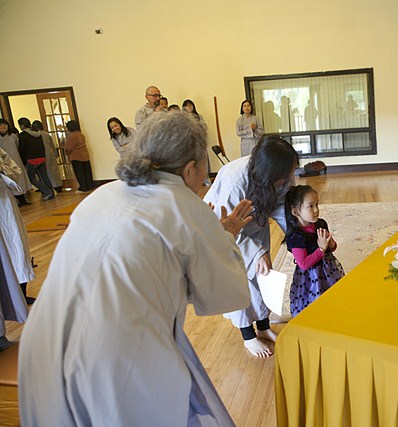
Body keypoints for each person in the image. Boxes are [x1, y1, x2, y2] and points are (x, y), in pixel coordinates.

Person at [18, 112, 254, 426]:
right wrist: (223, 239)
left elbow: (141, 273)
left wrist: (211, 240)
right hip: (112, 357)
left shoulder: (102, 194)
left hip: (42, 345)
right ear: (190, 168)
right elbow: (229, 295)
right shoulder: (185, 206)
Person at [203, 136, 299, 358]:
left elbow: (281, 207)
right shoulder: (234, 182)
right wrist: (255, 253)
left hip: (255, 223)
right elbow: (224, 229)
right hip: (224, 232)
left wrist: (296, 237)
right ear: (271, 171)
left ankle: (263, 326)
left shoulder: (280, 173)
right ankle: (248, 336)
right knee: (239, 280)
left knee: (262, 275)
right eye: (287, 174)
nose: (290, 178)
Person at [284, 185, 344, 317]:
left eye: (317, 204)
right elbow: (303, 264)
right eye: (310, 206)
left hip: (328, 269)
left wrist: (330, 244)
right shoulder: (296, 237)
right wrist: (321, 249)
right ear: (295, 212)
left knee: (332, 295)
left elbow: (331, 248)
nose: (316, 210)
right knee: (314, 302)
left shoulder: (321, 224)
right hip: (311, 277)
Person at [0, 148, 33, 351]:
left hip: (4, 204)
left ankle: (21, 293)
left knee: (15, 251)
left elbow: (15, 171)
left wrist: (2, 170)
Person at [17, 117, 55, 201]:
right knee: (45, 176)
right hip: (42, 157)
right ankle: (51, 193)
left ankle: (48, 192)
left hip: (32, 159)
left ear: (22, 125)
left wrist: (23, 161)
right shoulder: (37, 133)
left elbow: (22, 149)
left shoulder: (23, 135)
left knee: (31, 178)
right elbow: (42, 146)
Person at [0, 118, 31, 206]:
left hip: (16, 160)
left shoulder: (13, 136)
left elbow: (18, 147)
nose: (3, 127)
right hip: (6, 163)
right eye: (1, 125)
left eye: (5, 125)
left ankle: (22, 199)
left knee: (20, 179)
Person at [32, 120, 62, 193]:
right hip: (49, 153)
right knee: (53, 171)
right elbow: (52, 146)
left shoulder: (33, 135)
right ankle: (57, 186)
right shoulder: (46, 134)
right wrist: (55, 155)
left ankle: (45, 188)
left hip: (40, 155)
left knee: (43, 173)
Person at [64, 120, 94, 193]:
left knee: (79, 173)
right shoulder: (81, 135)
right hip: (85, 155)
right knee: (87, 172)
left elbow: (68, 148)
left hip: (76, 156)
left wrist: (66, 152)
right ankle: (89, 186)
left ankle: (83, 188)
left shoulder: (72, 136)